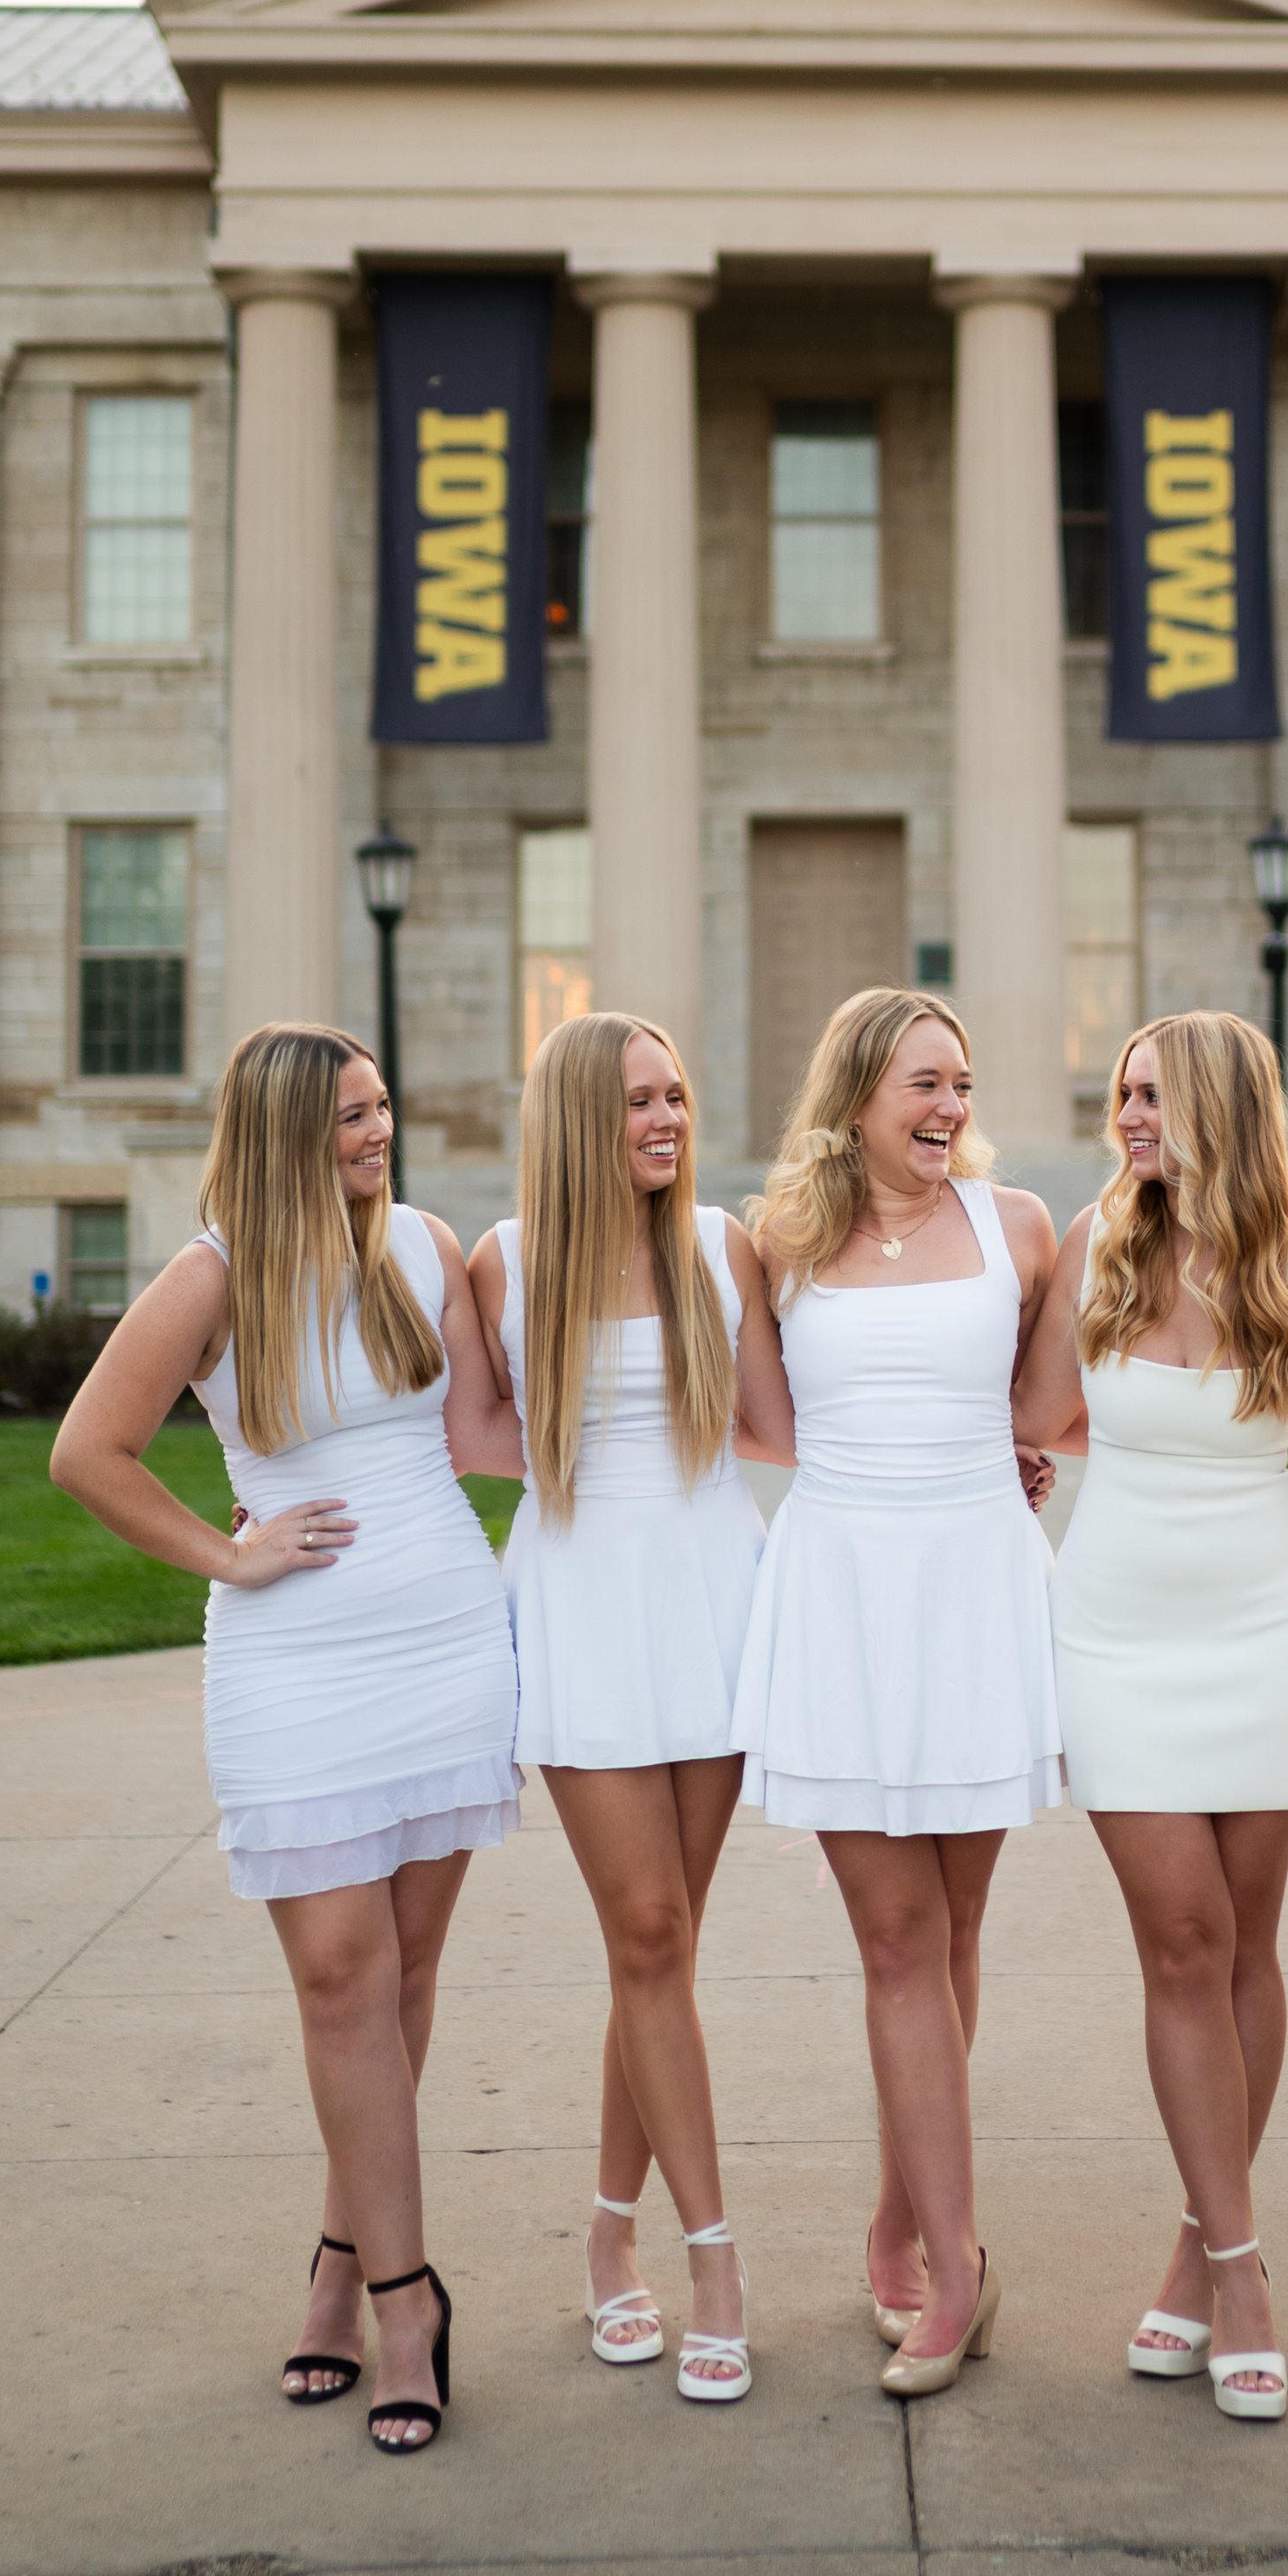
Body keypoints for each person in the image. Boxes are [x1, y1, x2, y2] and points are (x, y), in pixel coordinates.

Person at [52, 1024, 523, 2456]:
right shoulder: (214, 1273)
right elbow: (89, 1451)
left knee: (406, 1973)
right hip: (297, 1666)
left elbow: (498, 1428)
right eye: (351, 1119)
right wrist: (226, 1554)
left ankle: (340, 2261)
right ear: (278, 1135)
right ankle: (405, 2298)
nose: (380, 1134)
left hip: (446, 1641)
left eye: (383, 1109)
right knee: (340, 1977)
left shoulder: (423, 1247)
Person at [1014, 1010, 1288, 2421]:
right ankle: (1246, 2272)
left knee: (1246, 1948)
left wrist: (1269, 1399)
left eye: (1154, 1094)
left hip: (1265, 1621)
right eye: (1122, 1094)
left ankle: (1194, 2248)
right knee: (1182, 1937)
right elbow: (1043, 1412)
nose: (1131, 1116)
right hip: (1112, 1627)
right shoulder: (1093, 1241)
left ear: (1223, 1102)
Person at [731, 988, 1061, 2398]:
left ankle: (899, 2212)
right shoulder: (776, 1245)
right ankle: (959, 2261)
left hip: (976, 1589)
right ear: (859, 1089)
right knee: (893, 1937)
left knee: (955, 1924)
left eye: (965, 1085)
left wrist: (1009, 1466)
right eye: (927, 1081)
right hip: (845, 1596)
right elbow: (761, 1422)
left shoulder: (1021, 1230)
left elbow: (1053, 1403)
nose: (952, 1108)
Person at [469, 1010, 794, 2405]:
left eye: (676, 1095)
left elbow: (780, 1426)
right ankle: (712, 2258)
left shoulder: (723, 1247)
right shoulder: (502, 1260)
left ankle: (610, 2240)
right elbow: (465, 1434)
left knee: (657, 1949)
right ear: (575, 1120)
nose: (667, 1119)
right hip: (582, 1606)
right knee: (648, 1933)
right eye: (639, 1101)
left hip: (714, 1597)